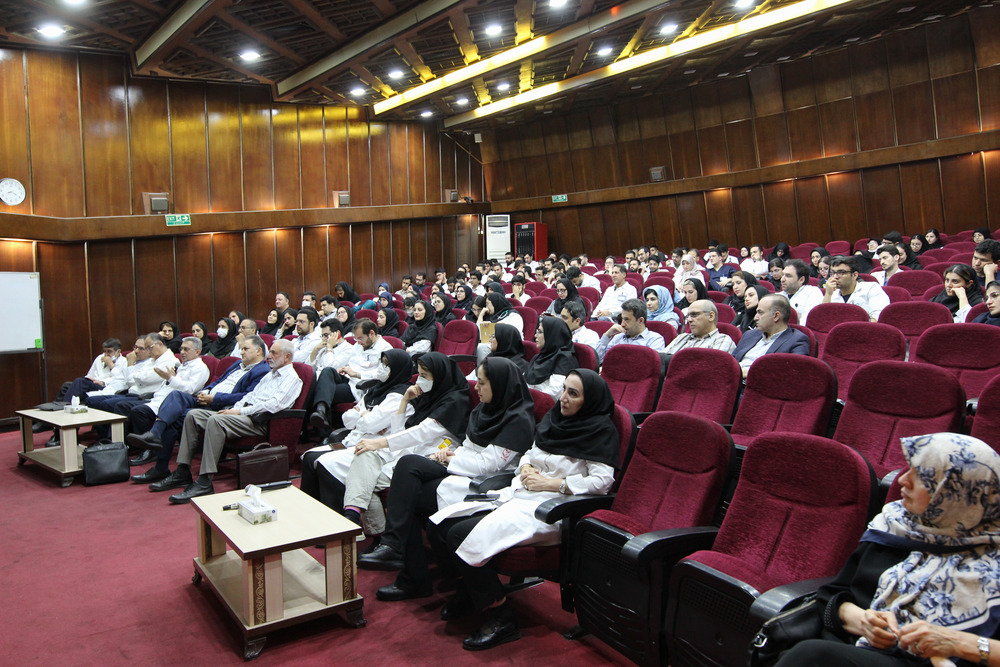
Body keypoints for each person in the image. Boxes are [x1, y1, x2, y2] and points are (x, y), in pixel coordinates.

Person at [427, 369, 618, 651]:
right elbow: (531, 452)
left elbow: (602, 483)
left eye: (573, 394)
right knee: (441, 526)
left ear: (589, 401)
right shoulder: (555, 419)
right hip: (520, 494)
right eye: (564, 389)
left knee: (459, 535)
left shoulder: (600, 432)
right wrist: (526, 466)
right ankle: (470, 591)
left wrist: (554, 483)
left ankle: (501, 616)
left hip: (551, 510)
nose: (563, 398)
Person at [774, 433, 1000, 667]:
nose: (903, 480)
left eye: (921, 476)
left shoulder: (993, 563)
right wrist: (863, 622)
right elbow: (831, 595)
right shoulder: (894, 526)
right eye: (909, 469)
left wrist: (959, 643)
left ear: (956, 493)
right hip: (846, 646)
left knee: (813, 655)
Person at [359, 357, 535, 591]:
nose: (476, 387)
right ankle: (395, 548)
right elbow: (469, 445)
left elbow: (488, 465)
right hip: (461, 465)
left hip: (484, 482)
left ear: (500, 385)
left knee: (408, 495)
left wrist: (452, 459)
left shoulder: (518, 420)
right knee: (408, 465)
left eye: (482, 383)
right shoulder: (484, 408)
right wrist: (451, 452)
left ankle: (411, 574)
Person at [156, 338, 302, 504]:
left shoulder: (292, 378)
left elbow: (274, 405)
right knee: (193, 415)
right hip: (243, 414)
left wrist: (239, 411)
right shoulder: (270, 375)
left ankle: (204, 481)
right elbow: (250, 396)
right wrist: (235, 409)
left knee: (216, 420)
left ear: (287, 357)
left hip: (260, 421)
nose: (269, 356)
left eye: (274, 353)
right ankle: (182, 471)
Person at [340, 353, 471, 536]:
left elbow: (423, 431)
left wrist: (379, 443)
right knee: (364, 456)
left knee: (366, 480)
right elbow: (399, 432)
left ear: (439, 376)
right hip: (407, 451)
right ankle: (357, 518)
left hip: (433, 456)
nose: (419, 380)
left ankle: (375, 531)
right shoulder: (428, 396)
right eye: (419, 374)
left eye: (424, 376)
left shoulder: (454, 400)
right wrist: (404, 401)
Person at [300, 349, 416, 536]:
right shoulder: (376, 389)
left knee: (325, 464)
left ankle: (337, 527)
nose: (382, 368)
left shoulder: (400, 396)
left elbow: (370, 423)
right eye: (382, 363)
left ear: (398, 369)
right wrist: (365, 416)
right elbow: (347, 418)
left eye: (387, 365)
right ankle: (311, 517)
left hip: (378, 449)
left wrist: (362, 415)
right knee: (308, 457)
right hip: (357, 438)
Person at [127, 335, 269, 483]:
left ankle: (164, 467)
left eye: (245, 349)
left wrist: (214, 398)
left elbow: (246, 397)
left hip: (222, 406)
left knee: (175, 418)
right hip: (206, 399)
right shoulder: (237, 364)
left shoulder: (262, 371)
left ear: (258, 351)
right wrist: (206, 391)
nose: (241, 352)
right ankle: (155, 435)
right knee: (176, 395)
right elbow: (218, 381)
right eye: (241, 349)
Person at [309, 318, 393, 430]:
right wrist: (344, 368)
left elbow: (382, 374)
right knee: (328, 371)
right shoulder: (358, 345)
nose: (358, 342)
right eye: (356, 339)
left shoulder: (385, 348)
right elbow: (351, 361)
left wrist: (356, 374)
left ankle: (323, 422)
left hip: (359, 384)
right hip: (347, 377)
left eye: (360, 338)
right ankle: (321, 411)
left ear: (371, 333)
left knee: (321, 391)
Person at [731, 294, 811, 377]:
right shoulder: (750, 334)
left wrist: (747, 373)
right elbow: (731, 361)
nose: (755, 318)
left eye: (760, 312)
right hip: (732, 380)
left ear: (776, 316)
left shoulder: (797, 340)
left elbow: (793, 373)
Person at [595, 298, 666, 364]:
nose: (622, 324)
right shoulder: (618, 337)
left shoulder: (655, 340)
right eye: (622, 319)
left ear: (640, 321)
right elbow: (598, 361)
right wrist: (607, 335)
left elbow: (652, 366)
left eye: (627, 319)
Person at [524, 317, 578, 398]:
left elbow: (554, 392)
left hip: (541, 402)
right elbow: (523, 380)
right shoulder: (540, 356)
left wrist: (527, 398)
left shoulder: (564, 359)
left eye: (540, 332)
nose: (535, 336)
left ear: (551, 335)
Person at [824, 256, 890, 321]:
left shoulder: (871, 288)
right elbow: (823, 320)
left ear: (855, 275)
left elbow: (878, 318)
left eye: (841, 272)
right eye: (833, 273)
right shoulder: (831, 294)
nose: (835, 277)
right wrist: (828, 294)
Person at [662, 300, 736, 356]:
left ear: (711, 316)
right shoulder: (681, 337)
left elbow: (709, 367)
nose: (689, 320)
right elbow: (661, 359)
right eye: (688, 316)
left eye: (694, 315)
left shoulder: (722, 340)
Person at [781, 259, 825, 326]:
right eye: (782, 275)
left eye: (788, 276)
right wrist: (797, 316)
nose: (782, 279)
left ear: (801, 279)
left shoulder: (813, 292)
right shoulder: (778, 296)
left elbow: (809, 321)